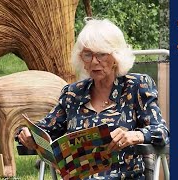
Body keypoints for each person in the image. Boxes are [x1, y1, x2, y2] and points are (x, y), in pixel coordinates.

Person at [17, 18, 170, 180]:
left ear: (116, 57)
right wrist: (26, 134)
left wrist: (134, 136)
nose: (94, 61)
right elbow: (44, 128)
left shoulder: (136, 86)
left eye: (102, 54)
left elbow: (160, 131)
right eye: (88, 55)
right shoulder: (72, 94)